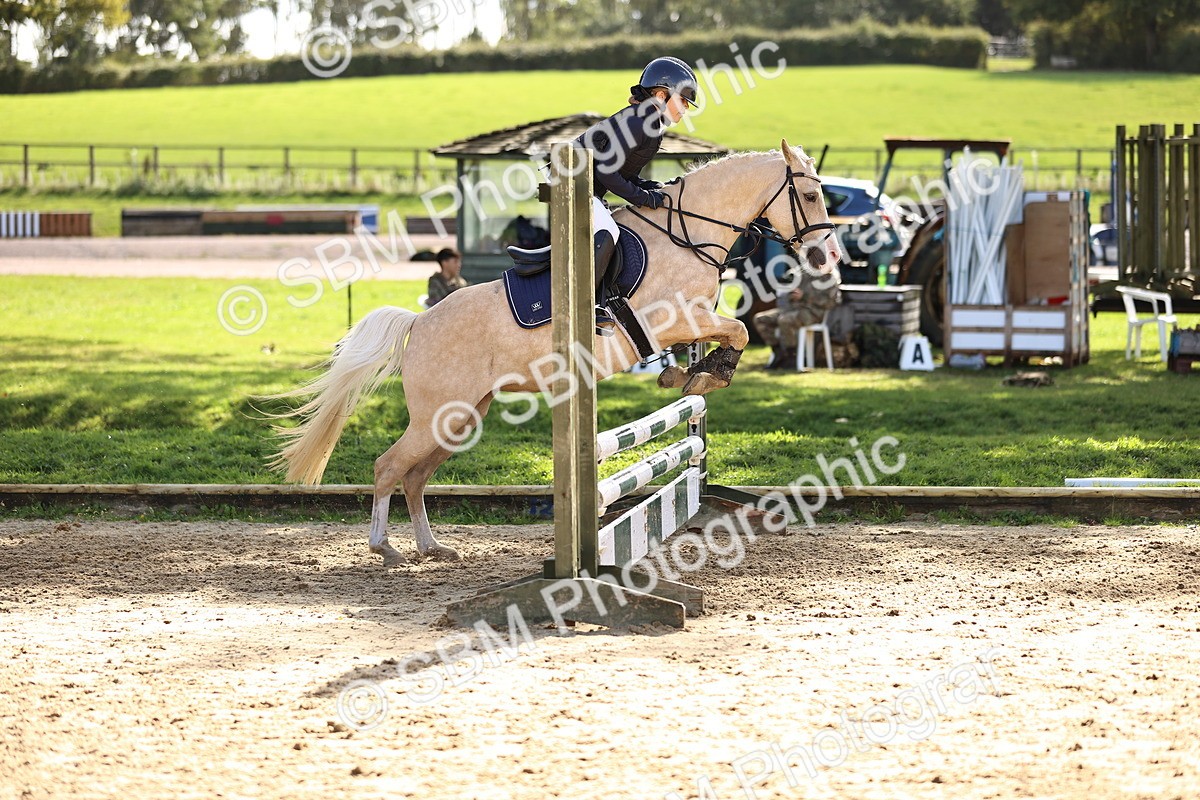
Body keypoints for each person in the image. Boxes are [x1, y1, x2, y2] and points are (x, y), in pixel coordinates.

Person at [575, 56, 699, 331]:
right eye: (683, 101)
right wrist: (642, 198)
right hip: (571, 187)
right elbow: (607, 172)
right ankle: (586, 304)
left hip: (589, 187)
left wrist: (646, 187)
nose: (686, 109)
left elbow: (622, 172)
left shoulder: (649, 124)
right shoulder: (639, 122)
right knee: (609, 227)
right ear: (660, 95)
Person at [755, 261, 843, 369]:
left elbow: (831, 302)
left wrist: (804, 296)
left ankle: (791, 358)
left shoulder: (831, 277)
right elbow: (790, 295)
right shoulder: (805, 274)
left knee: (785, 320)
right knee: (760, 319)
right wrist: (792, 294)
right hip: (793, 309)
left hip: (813, 313)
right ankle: (778, 352)